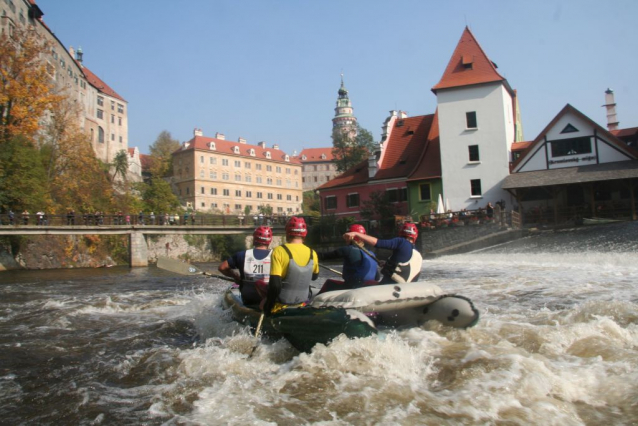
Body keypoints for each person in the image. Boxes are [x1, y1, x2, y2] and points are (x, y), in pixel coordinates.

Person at [263, 216, 319, 314]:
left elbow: (275, 285)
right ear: (304, 233)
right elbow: (314, 277)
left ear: (287, 233)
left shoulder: (278, 251)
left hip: (280, 306)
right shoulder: (312, 253)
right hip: (302, 304)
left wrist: (268, 304)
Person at [343, 222, 422, 284]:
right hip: (407, 289)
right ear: (415, 236)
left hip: (390, 285)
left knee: (366, 283)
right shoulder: (418, 254)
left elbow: (378, 243)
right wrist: (387, 264)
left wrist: (356, 234)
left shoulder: (401, 242)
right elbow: (404, 268)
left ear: (401, 234)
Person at [317, 224, 380, 293]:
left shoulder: (348, 250)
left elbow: (323, 256)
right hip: (368, 288)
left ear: (350, 237)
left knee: (329, 283)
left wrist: (309, 252)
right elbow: (377, 277)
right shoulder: (372, 254)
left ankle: (311, 303)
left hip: (353, 288)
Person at [219, 226, 273, 306]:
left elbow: (222, 267)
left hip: (249, 299)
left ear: (254, 239)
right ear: (269, 241)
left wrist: (235, 276)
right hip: (268, 298)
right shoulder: (276, 255)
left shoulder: (242, 255)